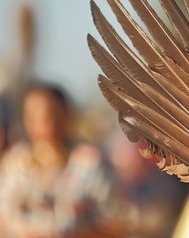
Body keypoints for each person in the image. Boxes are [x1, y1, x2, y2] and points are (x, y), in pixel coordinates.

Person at [0, 83, 122, 238]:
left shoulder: (89, 160)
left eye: (49, 114)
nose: (42, 122)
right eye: (32, 116)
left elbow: (115, 223)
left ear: (66, 114)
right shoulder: (15, 164)